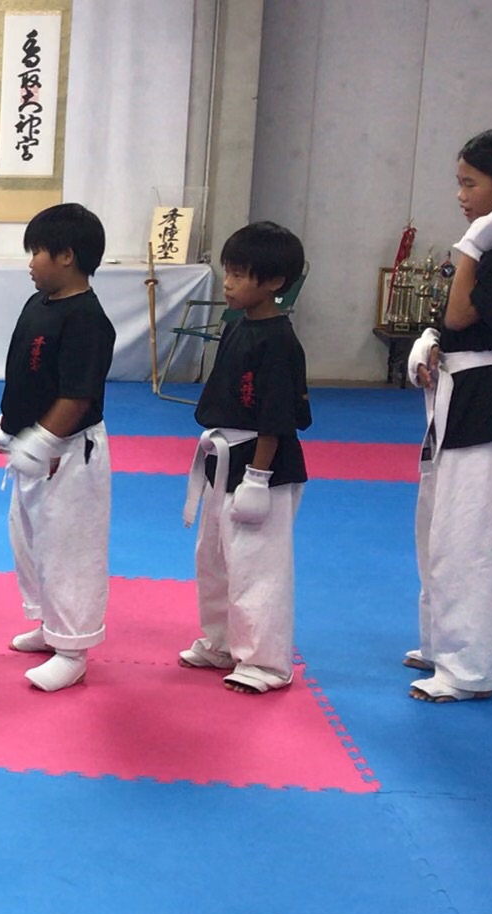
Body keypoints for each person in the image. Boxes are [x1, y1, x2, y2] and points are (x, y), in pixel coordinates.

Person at [403, 125, 492, 703]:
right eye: (459, 183)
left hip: (489, 397)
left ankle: (471, 668)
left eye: (471, 184)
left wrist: (468, 249)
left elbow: (463, 315)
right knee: (437, 526)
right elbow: (451, 323)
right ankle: (442, 642)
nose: (460, 195)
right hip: (456, 391)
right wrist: (429, 341)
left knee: (471, 536)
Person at [0, 203, 118, 692]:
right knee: (31, 543)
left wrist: (42, 439)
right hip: (35, 448)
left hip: (69, 453)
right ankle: (50, 625)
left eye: (37, 252)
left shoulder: (87, 320)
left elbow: (77, 394)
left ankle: (73, 649)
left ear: (66, 255)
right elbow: (25, 374)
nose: (30, 262)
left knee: (69, 549)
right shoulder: (38, 304)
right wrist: (9, 424)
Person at [179, 222, 311, 693]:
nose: (228, 284)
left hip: (263, 464)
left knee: (257, 565)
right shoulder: (237, 326)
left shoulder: (279, 340)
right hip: (225, 460)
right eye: (228, 272)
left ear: (273, 282)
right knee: (214, 558)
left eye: (239, 275)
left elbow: (277, 416)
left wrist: (257, 475)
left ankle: (265, 662)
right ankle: (221, 642)